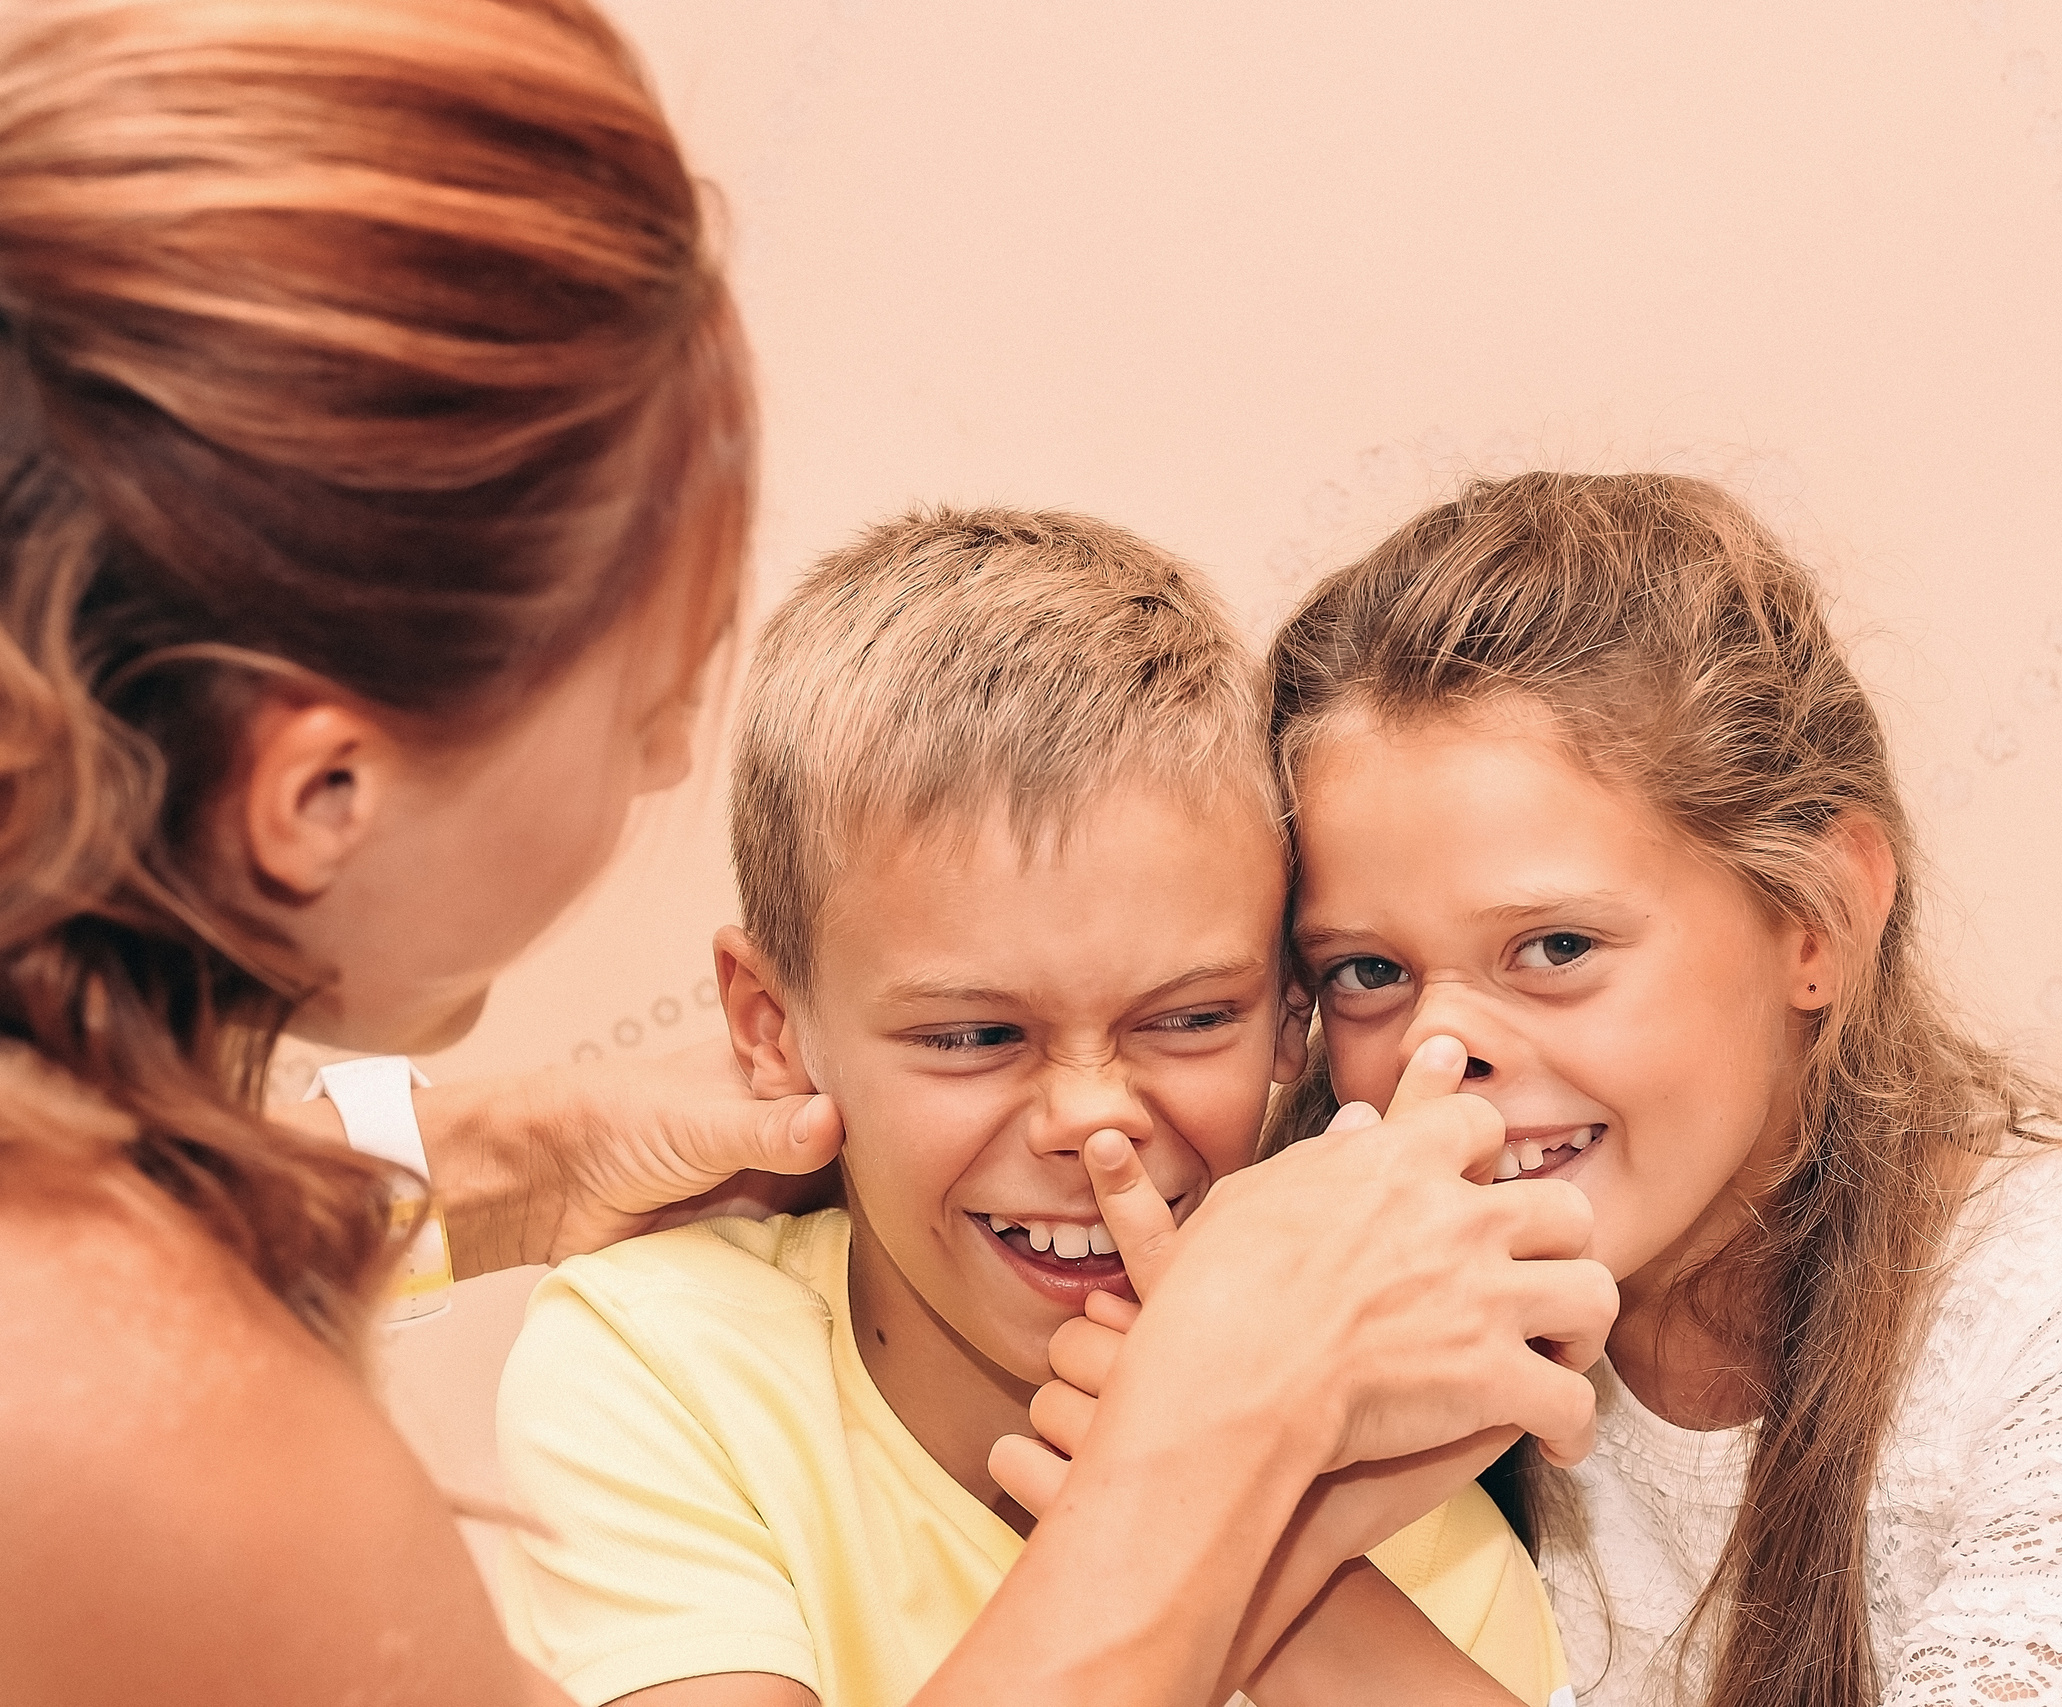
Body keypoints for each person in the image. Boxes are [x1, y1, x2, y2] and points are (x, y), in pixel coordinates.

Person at [0, 7, 1612, 1703]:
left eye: (1188, 1013)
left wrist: (507, 1155)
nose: (668, 752)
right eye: (640, 689)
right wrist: (1212, 1441)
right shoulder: (150, 1420)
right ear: (318, 792)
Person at [1015, 471, 2062, 1707]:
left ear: (1817, 918)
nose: (1440, 1048)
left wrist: (1257, 1543)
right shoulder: (1319, 1289)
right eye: (1369, 968)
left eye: (1556, 947)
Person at [498, 508, 1575, 1707]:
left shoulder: (1419, 1503)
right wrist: (1209, 1438)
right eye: (972, 1036)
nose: (1092, 1120)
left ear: (1290, 1015)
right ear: (769, 1026)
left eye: (1186, 1018)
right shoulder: (667, 1367)